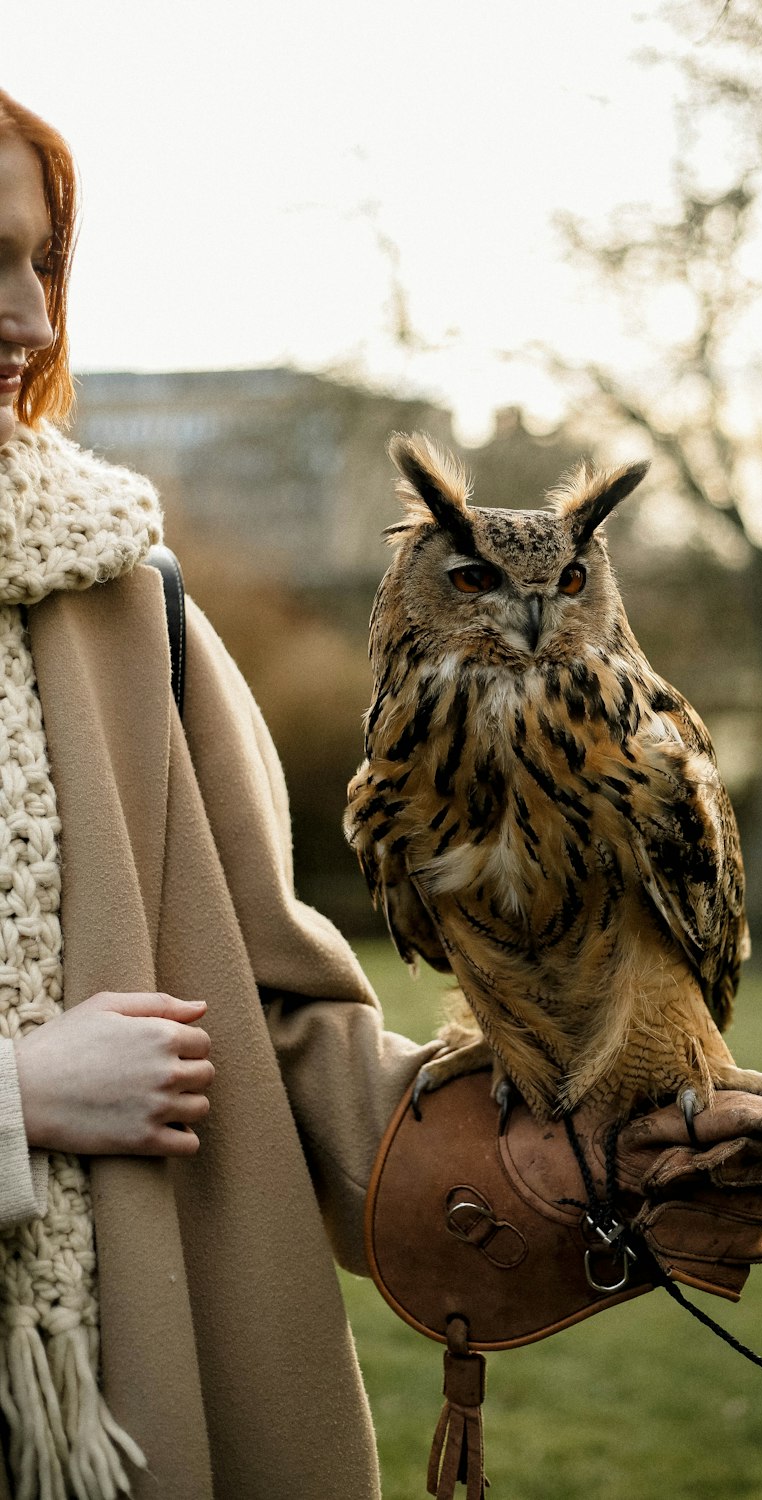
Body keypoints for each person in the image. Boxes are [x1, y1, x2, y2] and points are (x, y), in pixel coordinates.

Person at [0, 89, 443, 1500]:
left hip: (111, 1406)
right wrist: (14, 1100)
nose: (28, 321)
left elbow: (270, 1014)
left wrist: (587, 1134)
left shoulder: (126, 600)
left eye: (43, 265)